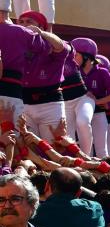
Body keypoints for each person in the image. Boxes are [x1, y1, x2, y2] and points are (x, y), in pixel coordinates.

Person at [17, 10, 67, 142]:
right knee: (30, 148)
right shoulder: (17, 46)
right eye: (21, 22)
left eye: (29, 21)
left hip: (50, 105)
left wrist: (41, 33)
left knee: (55, 146)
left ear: (41, 27)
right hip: (24, 104)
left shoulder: (50, 45)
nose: (24, 25)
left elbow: (61, 46)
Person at [63, 37, 94, 154]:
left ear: (87, 57)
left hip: (83, 99)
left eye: (76, 54)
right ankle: (74, 161)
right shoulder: (60, 60)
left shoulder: (72, 64)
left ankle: (87, 157)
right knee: (67, 134)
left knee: (83, 122)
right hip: (65, 103)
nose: (72, 56)